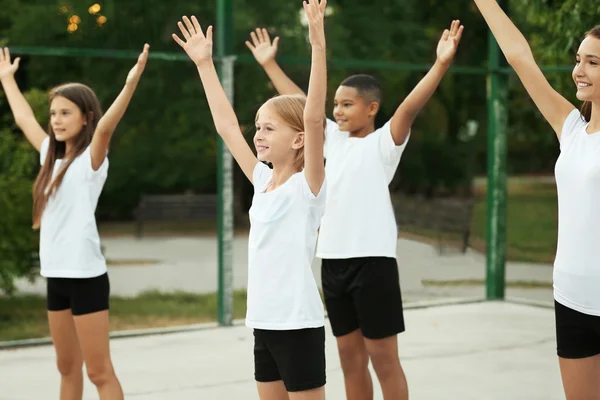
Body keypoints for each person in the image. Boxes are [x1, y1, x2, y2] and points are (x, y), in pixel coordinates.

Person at [247, 20, 464, 400]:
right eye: (336, 105)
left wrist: (440, 64)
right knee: (349, 358)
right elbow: (304, 108)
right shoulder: (329, 139)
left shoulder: (384, 143)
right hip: (333, 261)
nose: (339, 111)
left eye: (347, 104)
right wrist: (269, 65)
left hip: (373, 263)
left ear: (372, 108)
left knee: (383, 357)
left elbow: (410, 107)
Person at [172, 1, 328, 398]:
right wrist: (204, 65)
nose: (258, 134)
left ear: (298, 140)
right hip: (263, 322)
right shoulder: (262, 181)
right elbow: (226, 126)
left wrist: (317, 42)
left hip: (298, 325)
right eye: (257, 126)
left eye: (269, 128)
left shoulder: (307, 186)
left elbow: (312, 117)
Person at [0, 44, 149, 400]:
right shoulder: (48, 159)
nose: (56, 120)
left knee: (99, 371)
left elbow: (106, 129)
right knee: (66, 368)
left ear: (86, 117)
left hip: (86, 279)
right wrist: (7, 79)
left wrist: (130, 84)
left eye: (65, 113)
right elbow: (23, 119)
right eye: (53, 113)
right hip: (57, 277)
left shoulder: (90, 163)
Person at [472, 1, 600, 398]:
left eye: (593, 62)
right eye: (578, 59)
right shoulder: (572, 129)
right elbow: (518, 57)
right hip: (572, 295)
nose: (578, 70)